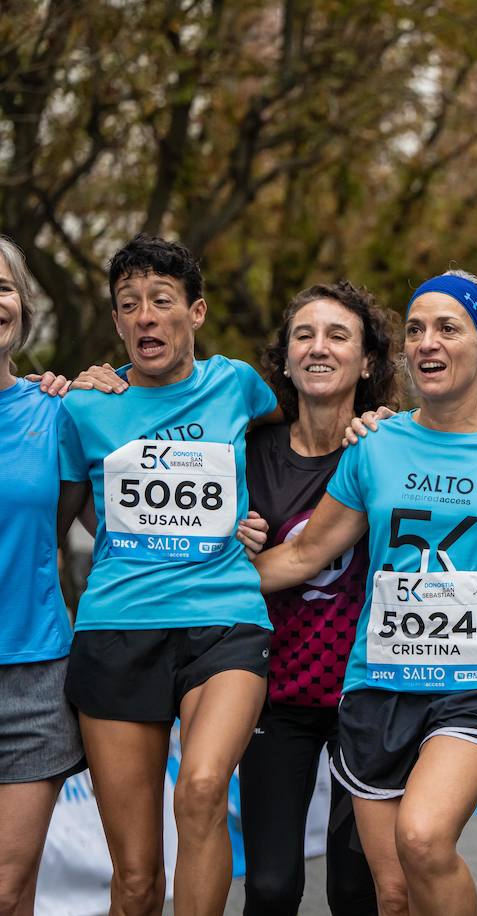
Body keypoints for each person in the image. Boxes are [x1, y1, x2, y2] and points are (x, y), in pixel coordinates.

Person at [252, 270, 477, 916]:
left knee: (423, 838)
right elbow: (308, 554)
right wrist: (211, 573)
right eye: (417, 329)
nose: (427, 341)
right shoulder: (375, 445)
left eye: (448, 328)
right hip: (378, 690)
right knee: (391, 895)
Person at [54, 235, 278, 916]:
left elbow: (304, 439)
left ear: (197, 311)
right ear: (117, 323)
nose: (145, 317)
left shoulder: (238, 384)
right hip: (118, 629)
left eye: (161, 301)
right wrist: (58, 384)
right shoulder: (84, 408)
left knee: (205, 787)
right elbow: (49, 522)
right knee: (135, 883)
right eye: (129, 306)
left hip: (225, 620)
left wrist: (268, 515)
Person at [237, 281, 394, 916]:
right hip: (275, 689)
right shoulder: (245, 450)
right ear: (284, 358)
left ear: (368, 362)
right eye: (304, 335)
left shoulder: (392, 447)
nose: (319, 348)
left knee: (356, 890)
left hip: (370, 690)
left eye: (338, 336)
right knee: (271, 888)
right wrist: (233, 544)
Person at [0, 236, 84, 916]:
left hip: (33, 677)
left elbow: (92, 519)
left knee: (9, 888)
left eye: (2, 288)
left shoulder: (57, 413)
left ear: (22, 310)